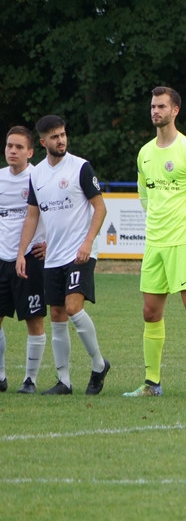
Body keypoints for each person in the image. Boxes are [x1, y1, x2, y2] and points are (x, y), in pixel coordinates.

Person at [126, 86, 186, 399]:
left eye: (161, 106)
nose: (155, 111)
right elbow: (144, 195)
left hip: (184, 242)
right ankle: (152, 383)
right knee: (150, 312)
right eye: (153, 106)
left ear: (175, 110)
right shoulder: (144, 153)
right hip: (155, 243)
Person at [16, 116, 109, 395]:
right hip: (53, 256)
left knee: (72, 307)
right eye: (55, 137)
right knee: (56, 314)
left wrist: (88, 243)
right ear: (43, 141)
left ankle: (98, 364)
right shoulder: (37, 174)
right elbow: (32, 216)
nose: (61, 140)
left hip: (80, 252)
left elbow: (100, 208)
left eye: (63, 134)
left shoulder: (81, 167)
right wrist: (21, 253)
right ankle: (64, 381)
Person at [0, 126, 47, 394]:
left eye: (19, 147)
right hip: (1, 259)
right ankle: (1, 376)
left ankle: (30, 380)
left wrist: (50, 244)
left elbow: (61, 214)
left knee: (34, 320)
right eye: (9, 146)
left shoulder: (39, 178)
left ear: (30, 152)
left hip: (29, 259)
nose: (13, 151)